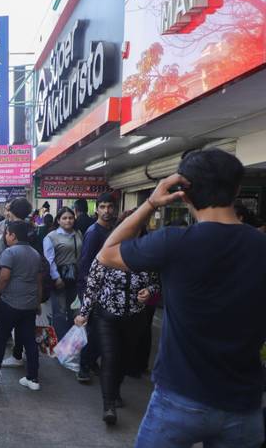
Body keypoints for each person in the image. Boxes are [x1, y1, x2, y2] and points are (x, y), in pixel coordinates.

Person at [98, 149, 266, 447]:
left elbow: (107, 253)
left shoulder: (174, 241)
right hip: (244, 402)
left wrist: (150, 202)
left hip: (179, 399)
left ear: (183, 193)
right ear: (237, 190)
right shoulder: (260, 245)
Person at [74, 213, 160, 425]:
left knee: (125, 358)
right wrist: (84, 313)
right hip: (107, 317)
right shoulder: (107, 253)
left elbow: (158, 282)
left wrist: (149, 290)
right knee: (110, 358)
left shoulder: (149, 255)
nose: (134, 230)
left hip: (135, 317)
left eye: (137, 227)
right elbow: (92, 286)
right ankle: (109, 404)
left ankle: (115, 389)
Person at [0, 221, 44, 390]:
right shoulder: (35, 254)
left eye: (6, 234)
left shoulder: (10, 252)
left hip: (10, 303)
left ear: (12, 235)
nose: (5, 236)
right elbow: (39, 281)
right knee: (29, 340)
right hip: (29, 304)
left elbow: (4, 277)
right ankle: (32, 378)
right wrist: (37, 302)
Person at [74, 192, 116, 383]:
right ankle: (83, 366)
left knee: (102, 330)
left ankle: (90, 362)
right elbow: (85, 264)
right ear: (96, 209)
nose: (106, 211)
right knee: (91, 329)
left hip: (108, 290)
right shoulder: (93, 232)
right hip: (92, 290)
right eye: (102, 207)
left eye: (109, 207)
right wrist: (86, 292)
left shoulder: (113, 230)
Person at [43, 207, 82, 339]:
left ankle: (72, 341)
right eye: (64, 218)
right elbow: (49, 260)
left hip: (76, 277)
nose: (68, 221)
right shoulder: (51, 237)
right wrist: (56, 277)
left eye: (71, 218)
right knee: (59, 311)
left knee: (75, 310)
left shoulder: (78, 233)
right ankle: (60, 342)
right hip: (60, 278)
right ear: (58, 220)